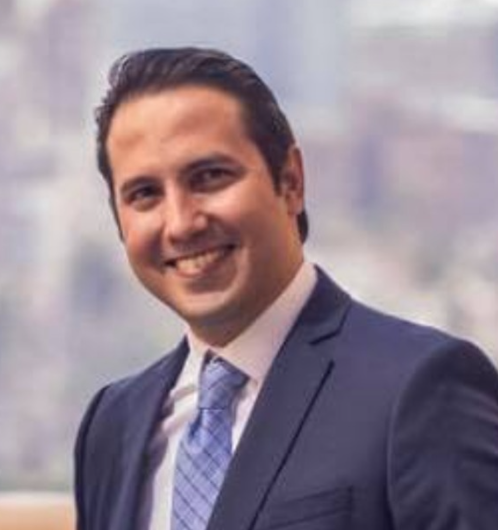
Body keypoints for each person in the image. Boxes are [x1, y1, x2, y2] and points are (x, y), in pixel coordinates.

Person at [74, 47, 498, 530]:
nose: (181, 223)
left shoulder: (420, 388)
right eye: (145, 194)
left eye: (210, 177)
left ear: (291, 181)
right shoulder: (114, 425)